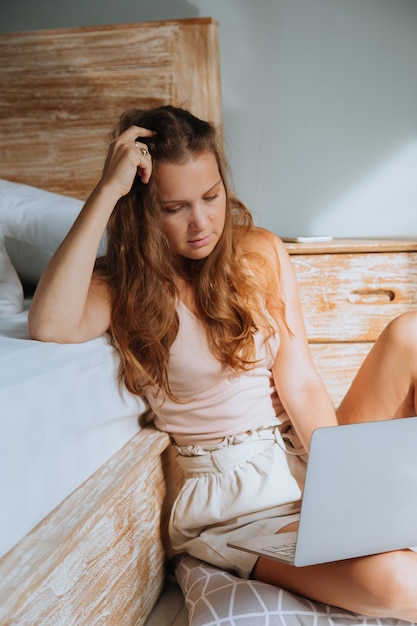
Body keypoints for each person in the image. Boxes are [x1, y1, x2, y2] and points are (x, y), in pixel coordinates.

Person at [28, 105, 417, 621]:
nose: (202, 222)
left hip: (307, 458)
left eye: (211, 197)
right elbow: (49, 323)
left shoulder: (259, 252)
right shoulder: (120, 287)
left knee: (411, 333)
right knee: (399, 583)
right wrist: (106, 190)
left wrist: (343, 487)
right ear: (142, 208)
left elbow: (298, 381)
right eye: (175, 207)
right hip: (234, 502)